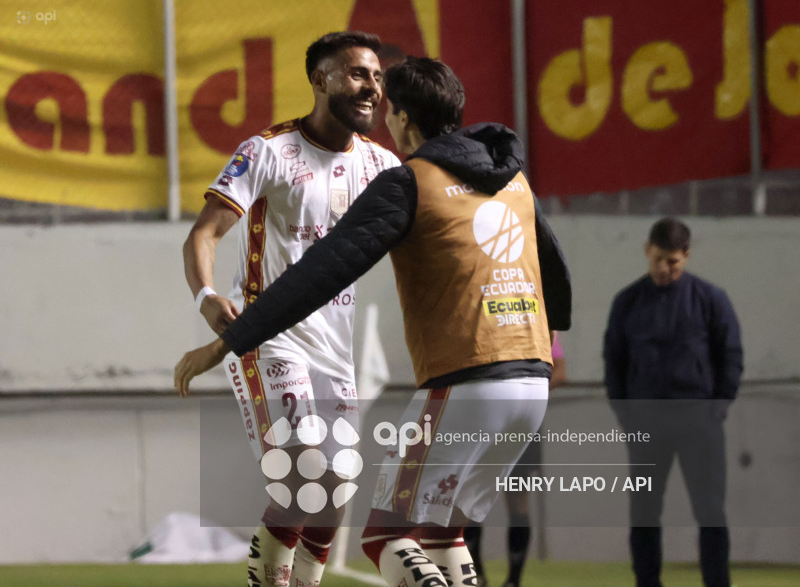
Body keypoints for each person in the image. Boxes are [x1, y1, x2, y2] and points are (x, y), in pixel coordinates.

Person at [175, 56, 571, 587]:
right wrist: (540, 337)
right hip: (533, 383)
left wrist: (226, 342)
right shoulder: (511, 178)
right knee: (443, 534)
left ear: (403, 118)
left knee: (385, 535)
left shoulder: (407, 179)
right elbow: (556, 270)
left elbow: (320, 273)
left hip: (468, 382)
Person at [180, 30, 400, 587]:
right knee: (305, 472)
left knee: (336, 487)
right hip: (270, 338)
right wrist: (207, 297)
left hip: (335, 347)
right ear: (320, 79)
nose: (372, 87)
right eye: (358, 74)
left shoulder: (381, 165)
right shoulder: (268, 152)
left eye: (377, 77)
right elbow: (203, 234)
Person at [603, 217, 743, 587]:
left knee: (710, 511)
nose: (665, 268)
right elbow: (614, 361)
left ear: (687, 256)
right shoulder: (627, 302)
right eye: (659, 260)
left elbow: (730, 355)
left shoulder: (710, 300)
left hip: (699, 420)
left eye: (673, 262)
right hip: (646, 423)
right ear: (646, 251)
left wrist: (717, 408)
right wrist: (627, 415)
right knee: (644, 512)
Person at [463, 333, 566, 587]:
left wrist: (524, 395)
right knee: (471, 499)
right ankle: (477, 575)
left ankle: (513, 580)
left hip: (520, 422)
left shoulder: (540, 324)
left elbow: (560, 372)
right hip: (482, 419)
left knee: (518, 500)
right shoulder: (480, 321)